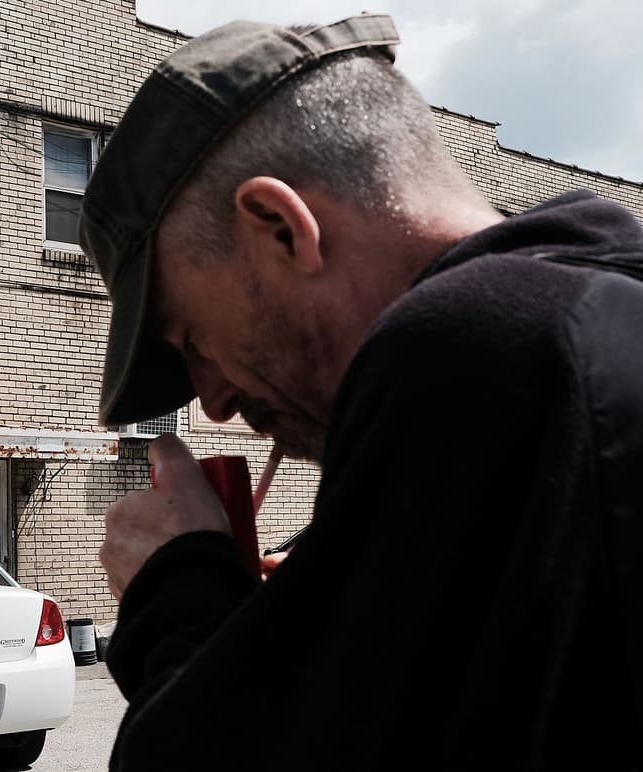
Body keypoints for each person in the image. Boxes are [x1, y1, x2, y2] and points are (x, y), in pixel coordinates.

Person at [79, 13, 643, 771]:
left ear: (281, 228)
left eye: (192, 341)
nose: (211, 400)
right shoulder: (598, 315)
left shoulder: (478, 347)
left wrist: (175, 592)